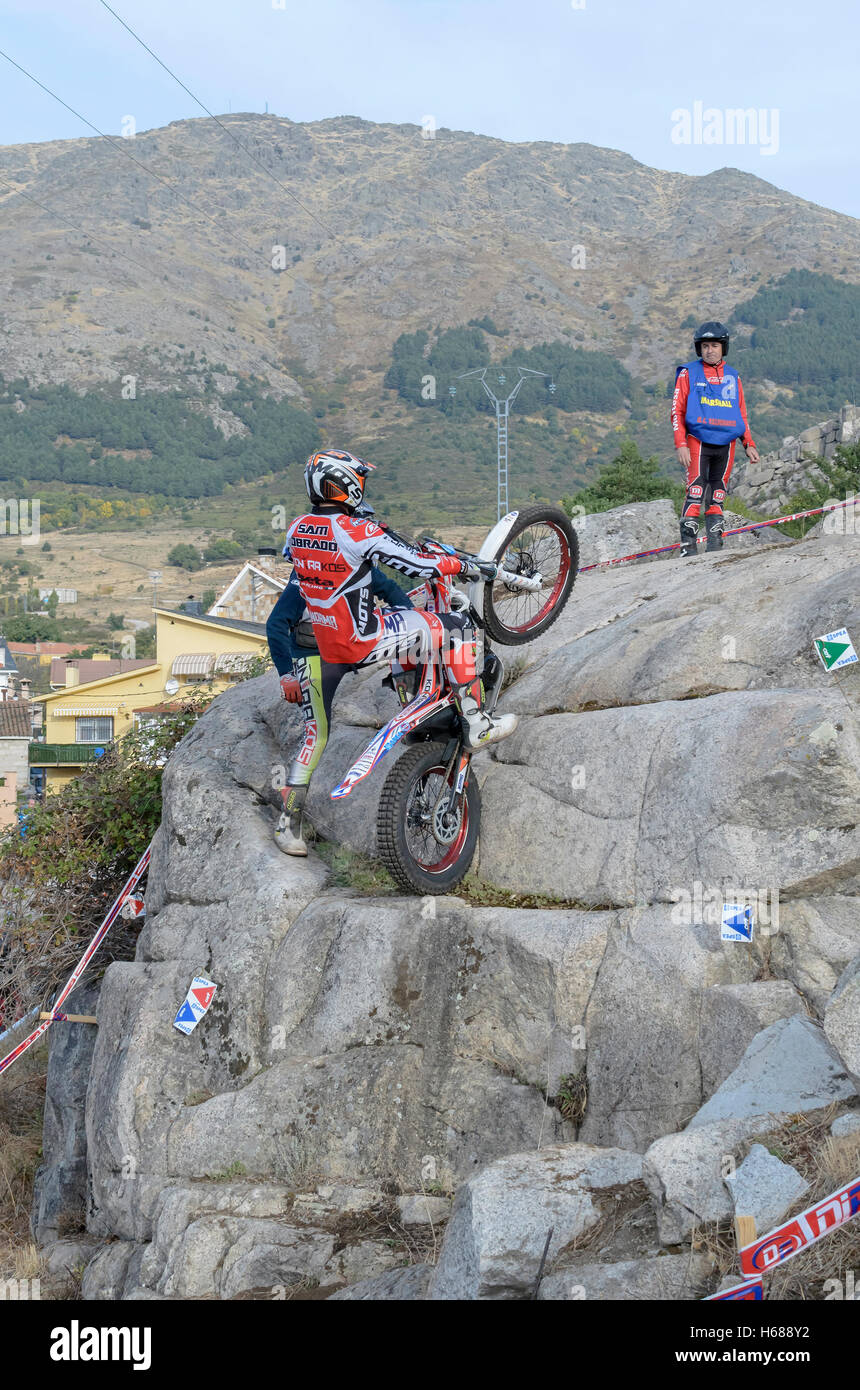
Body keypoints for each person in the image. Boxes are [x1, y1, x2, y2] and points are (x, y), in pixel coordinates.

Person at [268, 448, 518, 856]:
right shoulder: (357, 530)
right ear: (344, 484)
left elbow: (338, 576)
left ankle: (288, 827)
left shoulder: (297, 530)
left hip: (320, 649)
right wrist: (456, 564)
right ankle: (475, 721)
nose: (363, 487)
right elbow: (419, 565)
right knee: (454, 627)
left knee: (315, 734)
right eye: (359, 480)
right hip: (361, 642)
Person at [671, 321, 760, 556]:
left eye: (714, 345)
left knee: (718, 493)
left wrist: (748, 443)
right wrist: (681, 443)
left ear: (724, 347)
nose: (709, 350)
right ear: (699, 348)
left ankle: (715, 548)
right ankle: (687, 549)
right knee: (696, 490)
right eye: (705, 346)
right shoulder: (689, 372)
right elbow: (677, 411)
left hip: (727, 443)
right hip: (697, 441)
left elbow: (740, 413)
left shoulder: (733, 377)